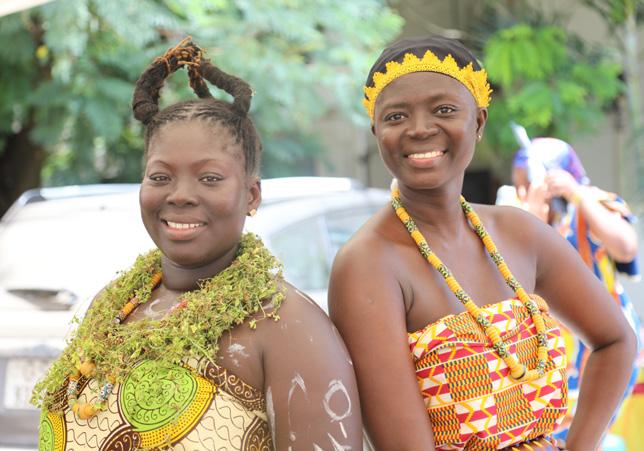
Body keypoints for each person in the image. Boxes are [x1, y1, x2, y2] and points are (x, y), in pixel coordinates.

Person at [32, 38, 362, 451]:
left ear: (251, 195)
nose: (181, 195)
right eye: (160, 177)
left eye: (209, 178)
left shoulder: (286, 325)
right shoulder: (113, 306)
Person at [328, 36, 637, 450]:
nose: (419, 128)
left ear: (478, 122)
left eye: (444, 110)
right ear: (377, 132)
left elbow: (616, 341)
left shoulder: (519, 232)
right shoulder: (368, 265)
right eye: (396, 116)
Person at [508, 138, 642, 449]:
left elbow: (626, 247)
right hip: (556, 352)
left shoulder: (592, 204)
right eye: (519, 184)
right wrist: (530, 220)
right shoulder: (520, 217)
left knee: (586, 435)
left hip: (607, 342)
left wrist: (577, 194)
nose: (522, 190)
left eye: (528, 181)